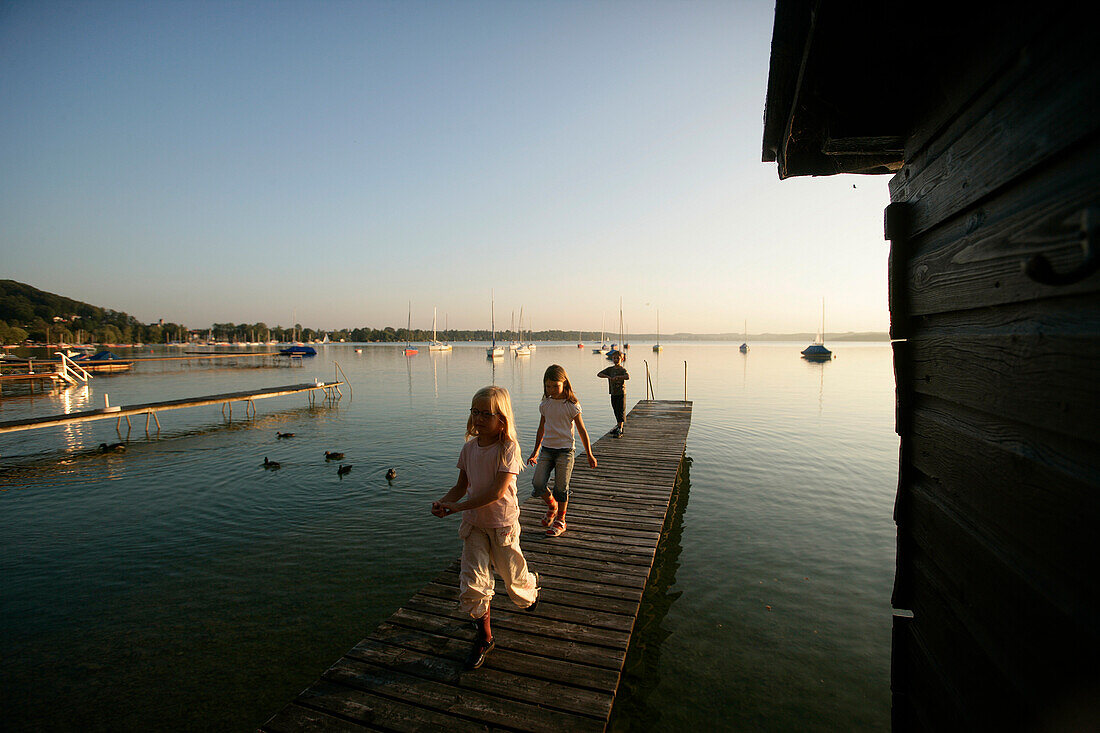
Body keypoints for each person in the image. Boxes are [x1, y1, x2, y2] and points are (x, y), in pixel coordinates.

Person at [432, 385, 539, 670]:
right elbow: (461, 487)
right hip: (475, 526)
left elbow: (495, 491)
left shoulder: (509, 449)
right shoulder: (468, 448)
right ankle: (485, 638)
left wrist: (459, 507)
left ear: (502, 419)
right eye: (474, 412)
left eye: (485, 414)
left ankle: (530, 590)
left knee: (514, 583)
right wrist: (444, 502)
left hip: (502, 525)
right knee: (473, 584)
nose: (478, 419)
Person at [527, 364, 597, 538]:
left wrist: (589, 454)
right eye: (548, 386)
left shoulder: (571, 405)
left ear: (564, 383)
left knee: (561, 488)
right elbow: (541, 428)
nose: (551, 390)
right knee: (537, 483)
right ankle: (552, 506)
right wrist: (535, 451)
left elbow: (582, 431)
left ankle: (561, 520)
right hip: (547, 450)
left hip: (565, 451)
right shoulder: (545, 404)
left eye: (555, 386)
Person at [598, 352, 630, 437]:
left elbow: (627, 377)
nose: (616, 360)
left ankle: (621, 428)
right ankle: (618, 426)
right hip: (613, 393)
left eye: (618, 358)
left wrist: (618, 377)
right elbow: (599, 374)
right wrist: (608, 377)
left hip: (621, 393)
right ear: (612, 359)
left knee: (620, 410)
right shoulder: (610, 370)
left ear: (622, 359)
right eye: (614, 358)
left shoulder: (622, 369)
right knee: (615, 409)